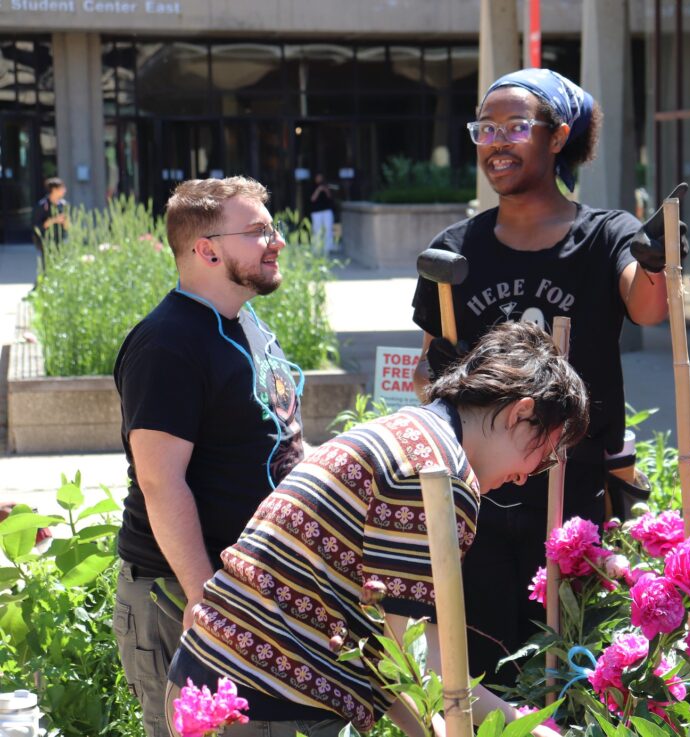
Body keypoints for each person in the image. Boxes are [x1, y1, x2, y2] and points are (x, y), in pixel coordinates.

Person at [166, 321, 589, 736]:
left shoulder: (408, 431)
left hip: (210, 679)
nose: (525, 476)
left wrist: (429, 727)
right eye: (545, 456)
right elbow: (428, 664)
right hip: (267, 700)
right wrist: (527, 729)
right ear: (521, 413)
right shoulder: (441, 477)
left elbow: (384, 647)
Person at [410, 68, 674, 685]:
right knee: (477, 672)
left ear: (557, 138)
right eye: (486, 128)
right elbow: (425, 374)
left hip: (572, 491)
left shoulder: (606, 236)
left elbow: (649, 307)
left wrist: (658, 260)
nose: (496, 141)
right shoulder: (455, 248)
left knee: (568, 666)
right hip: (473, 495)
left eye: (516, 127)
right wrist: (442, 375)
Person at [113, 176, 305, 736]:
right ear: (207, 249)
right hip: (184, 595)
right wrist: (204, 595)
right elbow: (161, 482)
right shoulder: (167, 345)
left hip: (252, 591)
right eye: (259, 230)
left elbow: (282, 439)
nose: (277, 241)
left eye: (273, 226)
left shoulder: (245, 323)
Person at [31, 177, 68, 272]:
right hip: (45, 240)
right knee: (47, 266)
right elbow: (37, 226)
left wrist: (65, 222)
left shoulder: (63, 205)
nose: (64, 190)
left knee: (60, 265)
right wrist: (54, 220)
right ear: (54, 189)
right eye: (62, 188)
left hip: (60, 240)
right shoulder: (42, 205)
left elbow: (67, 226)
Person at [309, 173, 336, 256]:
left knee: (328, 229)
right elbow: (312, 199)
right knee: (317, 230)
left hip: (327, 210)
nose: (319, 179)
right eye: (318, 177)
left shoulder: (326, 186)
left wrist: (325, 189)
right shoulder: (312, 187)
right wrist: (318, 190)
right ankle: (317, 248)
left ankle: (328, 248)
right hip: (316, 211)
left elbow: (330, 197)